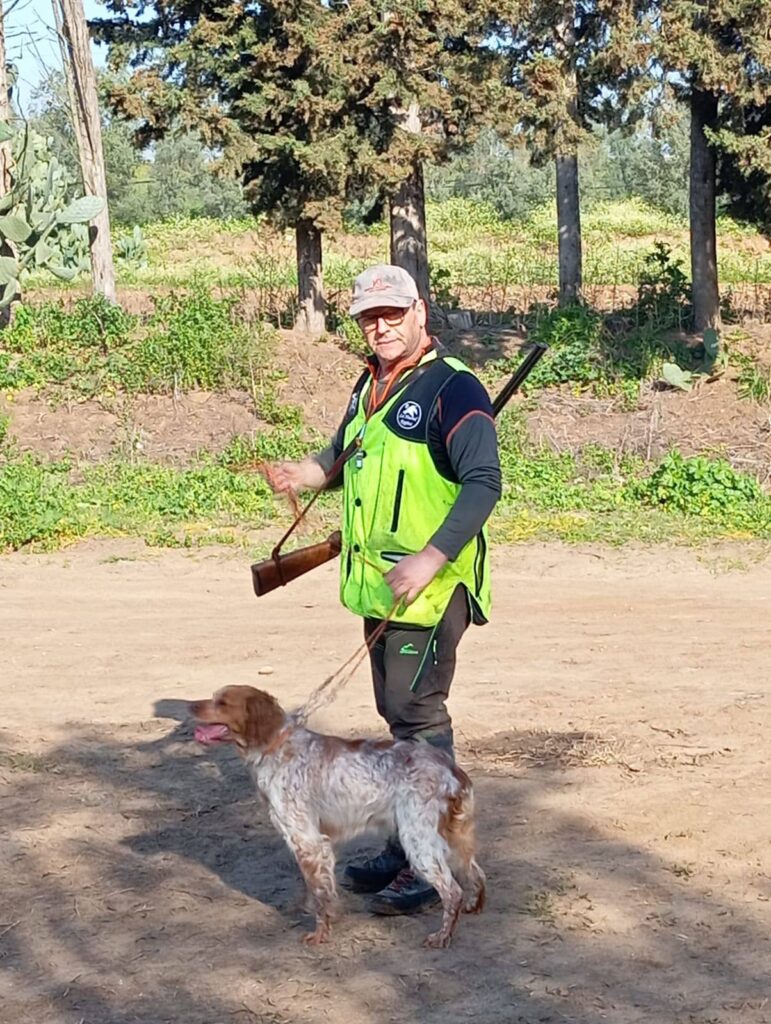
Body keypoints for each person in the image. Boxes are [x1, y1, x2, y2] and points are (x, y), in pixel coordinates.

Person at [266, 263, 501, 915]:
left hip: (429, 590)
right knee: (399, 723)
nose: (381, 325)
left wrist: (430, 558)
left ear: (419, 311)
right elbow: (342, 458)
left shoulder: (455, 391)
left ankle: (436, 863)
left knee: (420, 721)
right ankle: (408, 845)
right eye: (369, 316)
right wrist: (303, 473)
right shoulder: (371, 384)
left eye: (391, 313)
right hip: (380, 591)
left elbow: (483, 482)